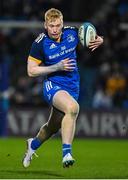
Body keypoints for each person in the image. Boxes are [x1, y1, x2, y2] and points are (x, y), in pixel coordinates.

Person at [22, 8, 103, 168]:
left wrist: (100, 39)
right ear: (45, 25)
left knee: (52, 127)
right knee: (72, 108)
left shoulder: (72, 33)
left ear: (62, 24)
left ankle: (33, 145)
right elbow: (31, 71)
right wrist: (57, 66)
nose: (55, 29)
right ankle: (67, 153)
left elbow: (90, 35)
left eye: (58, 25)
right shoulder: (40, 43)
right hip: (53, 85)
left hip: (72, 86)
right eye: (51, 26)